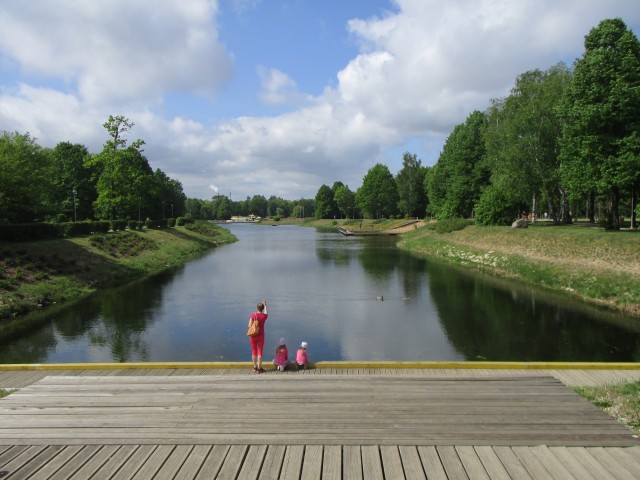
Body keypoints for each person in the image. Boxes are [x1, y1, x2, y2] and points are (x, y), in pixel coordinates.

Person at [248, 299, 268, 373]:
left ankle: (254, 367)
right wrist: (265, 305)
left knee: (254, 351)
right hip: (261, 336)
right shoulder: (264, 316)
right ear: (262, 309)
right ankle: (259, 369)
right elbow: (266, 313)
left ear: (257, 308)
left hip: (253, 335)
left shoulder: (253, 315)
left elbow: (249, 325)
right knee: (260, 351)